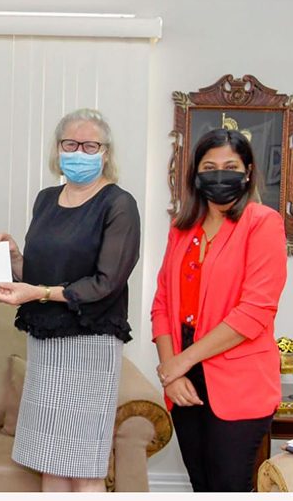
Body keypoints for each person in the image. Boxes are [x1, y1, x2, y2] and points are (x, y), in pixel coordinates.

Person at [0, 108, 140, 492]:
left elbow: (106, 282)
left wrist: (40, 293)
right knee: (50, 462)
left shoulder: (118, 204)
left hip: (89, 344)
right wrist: (14, 259)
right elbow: (40, 275)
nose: (79, 151)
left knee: (84, 466)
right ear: (57, 150)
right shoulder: (45, 199)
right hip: (46, 344)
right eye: (70, 144)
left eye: (90, 144)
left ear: (105, 152)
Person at [151, 128, 287, 492]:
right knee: (202, 485)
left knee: (229, 485)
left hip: (239, 379)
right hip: (183, 379)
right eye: (209, 166)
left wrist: (182, 361)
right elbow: (162, 305)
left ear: (247, 171)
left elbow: (253, 313)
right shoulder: (182, 230)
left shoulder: (263, 223)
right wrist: (172, 372)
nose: (219, 174)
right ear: (196, 174)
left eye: (230, 166)